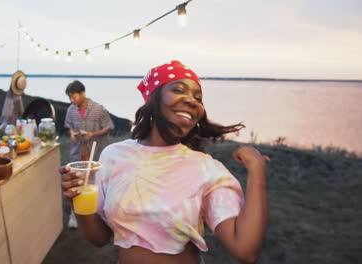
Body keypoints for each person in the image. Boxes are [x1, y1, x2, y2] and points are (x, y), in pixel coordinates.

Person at [60, 61, 269, 264]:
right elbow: (99, 238)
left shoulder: (206, 169)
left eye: (198, 97)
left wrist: (257, 169)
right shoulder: (113, 156)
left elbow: (245, 251)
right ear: (153, 99)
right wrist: (77, 198)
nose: (192, 101)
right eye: (179, 90)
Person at [64, 80, 115, 228]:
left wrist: (93, 134)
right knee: (77, 182)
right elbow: (69, 126)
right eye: (70, 97)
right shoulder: (71, 110)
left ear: (83, 93)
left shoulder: (99, 109)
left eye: (74, 97)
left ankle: (100, 215)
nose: (72, 100)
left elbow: (109, 126)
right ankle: (75, 216)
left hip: (96, 150)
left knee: (97, 183)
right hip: (78, 152)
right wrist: (73, 133)